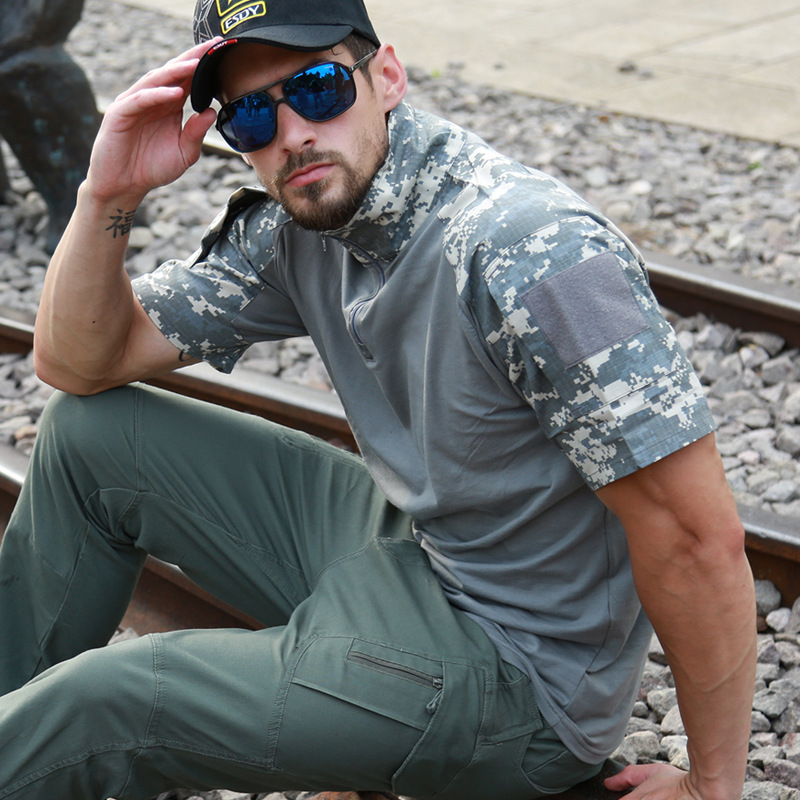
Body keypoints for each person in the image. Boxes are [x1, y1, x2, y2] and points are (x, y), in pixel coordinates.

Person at [0, 0, 756, 798]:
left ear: (386, 76)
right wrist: (105, 193)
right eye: (252, 115)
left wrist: (712, 786)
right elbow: (78, 362)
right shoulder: (305, 222)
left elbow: (696, 538)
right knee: (90, 437)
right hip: (424, 551)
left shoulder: (530, 250)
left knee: (113, 699)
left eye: (317, 88)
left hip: (519, 676)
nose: (292, 133)